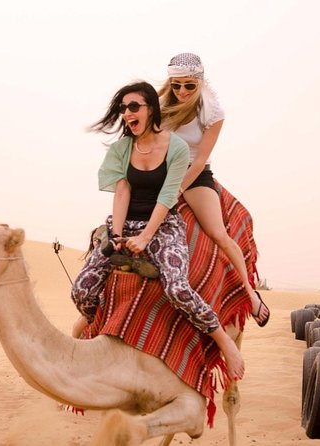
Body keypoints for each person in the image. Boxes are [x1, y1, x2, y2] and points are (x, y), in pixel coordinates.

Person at [72, 80, 244, 380]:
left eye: (134, 106)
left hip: (163, 225)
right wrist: (117, 236)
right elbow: (122, 191)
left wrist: (146, 236)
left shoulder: (175, 147)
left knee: (177, 287)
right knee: (82, 289)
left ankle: (223, 341)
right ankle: (92, 325)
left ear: (151, 108)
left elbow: (168, 194)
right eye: (124, 108)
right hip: (125, 224)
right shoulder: (122, 148)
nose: (127, 113)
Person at [158, 52, 269, 327]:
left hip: (194, 176)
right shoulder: (158, 106)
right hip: (161, 172)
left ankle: (249, 293)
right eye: (177, 85)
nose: (182, 91)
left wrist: (176, 189)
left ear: (200, 82)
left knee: (219, 234)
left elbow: (199, 159)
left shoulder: (212, 111)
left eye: (189, 85)